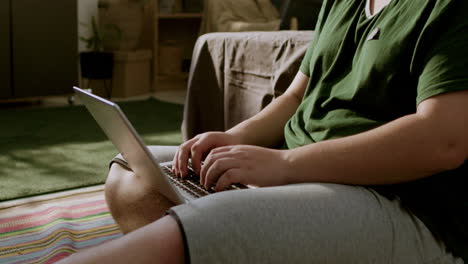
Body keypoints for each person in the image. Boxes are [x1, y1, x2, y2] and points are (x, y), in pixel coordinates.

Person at [58, 0, 468, 263]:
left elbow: (444, 139)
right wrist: (235, 137)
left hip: (394, 201)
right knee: (130, 174)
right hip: (301, 176)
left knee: (207, 224)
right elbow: (294, 97)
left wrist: (286, 164)